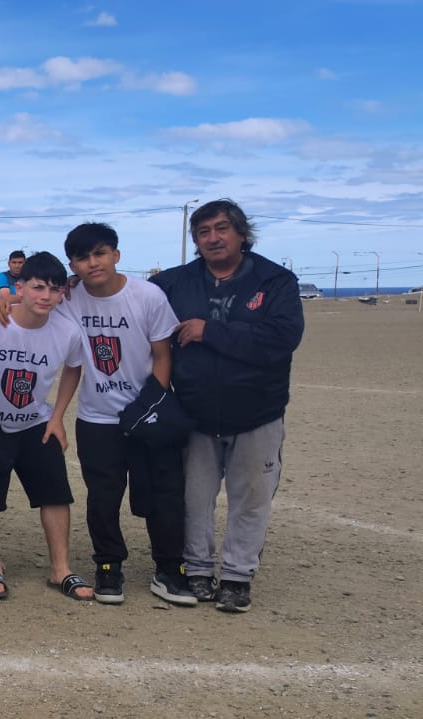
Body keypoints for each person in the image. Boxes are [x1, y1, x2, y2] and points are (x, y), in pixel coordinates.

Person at [150, 199, 304, 613]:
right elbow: (125, 298)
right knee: (194, 498)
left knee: (251, 498)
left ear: (241, 233)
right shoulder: (175, 283)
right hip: (195, 414)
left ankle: (238, 576)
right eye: (203, 232)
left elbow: (282, 338)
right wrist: (73, 284)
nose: (213, 238)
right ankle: (198, 570)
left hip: (258, 414)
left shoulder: (275, 281)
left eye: (221, 229)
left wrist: (211, 331)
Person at [56, 223, 194, 606]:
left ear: (116, 255)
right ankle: (108, 565)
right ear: (72, 265)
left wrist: (149, 407)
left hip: (147, 415)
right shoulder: (69, 298)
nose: (92, 263)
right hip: (98, 419)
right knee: (103, 496)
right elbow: (35, 304)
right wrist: (5, 300)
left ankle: (169, 568)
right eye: (82, 257)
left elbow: (162, 355)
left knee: (164, 493)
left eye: (100, 253)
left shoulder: (147, 296)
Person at [0, 252, 92, 601]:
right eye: (37, 287)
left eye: (54, 289)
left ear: (63, 293)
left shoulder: (66, 331)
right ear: (19, 287)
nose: (45, 296)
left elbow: (74, 368)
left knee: (56, 493)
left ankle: (60, 568)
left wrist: (57, 417)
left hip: (36, 421)